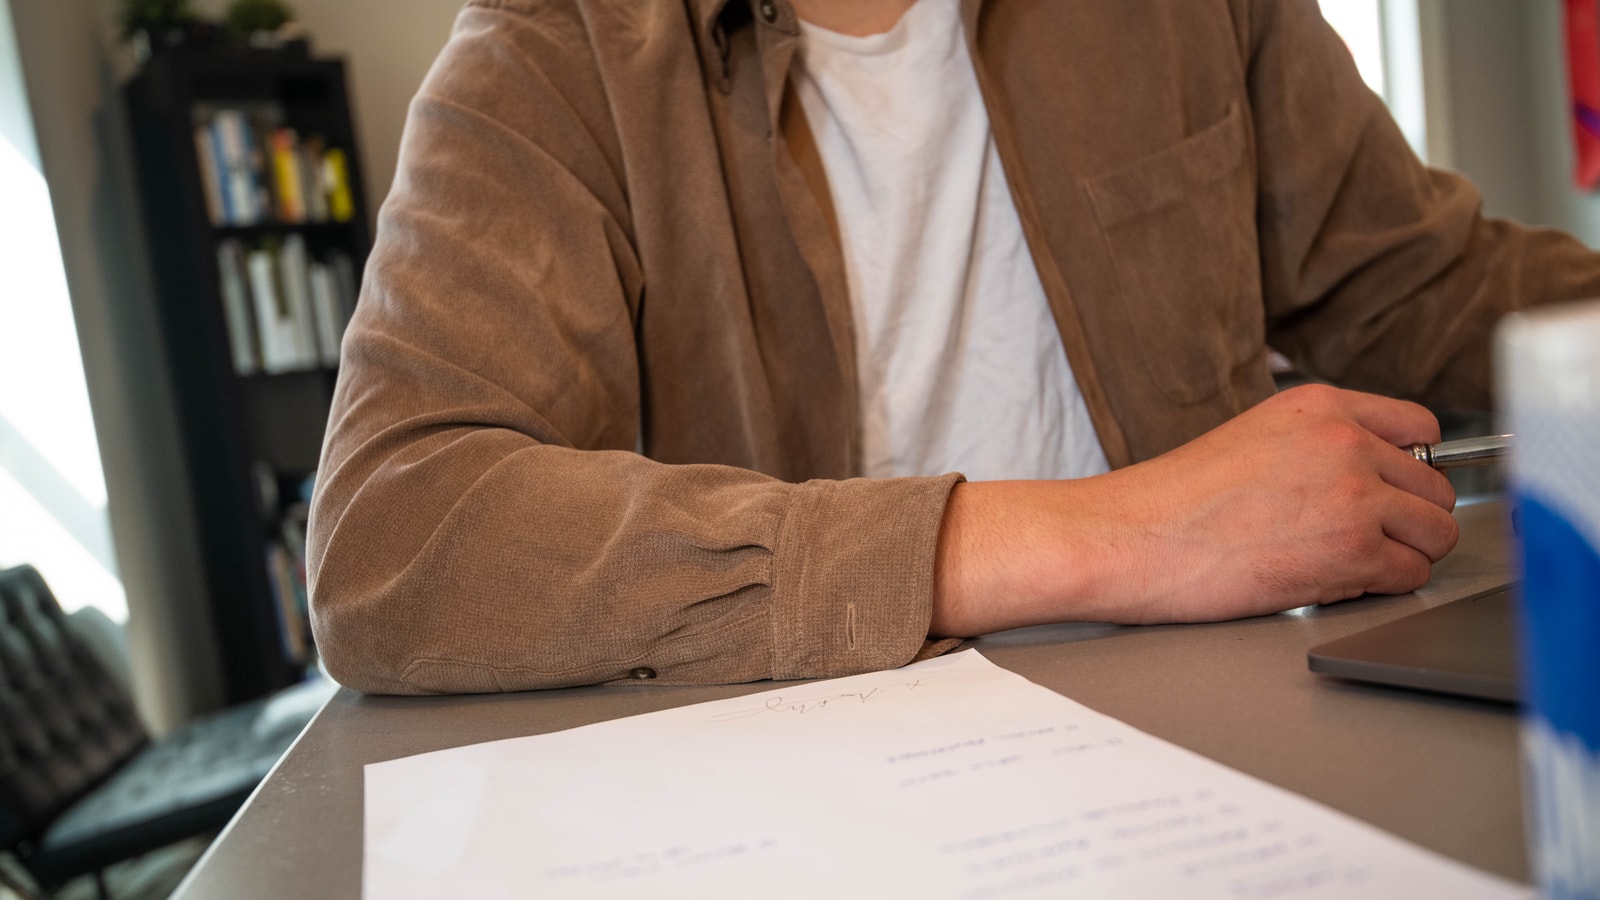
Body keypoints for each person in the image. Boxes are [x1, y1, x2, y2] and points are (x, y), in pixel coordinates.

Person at [306, 0, 1600, 694]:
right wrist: (1127, 532)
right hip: (817, 783)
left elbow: (1429, 288)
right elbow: (394, 540)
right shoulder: (557, 47)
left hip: (1235, 731)